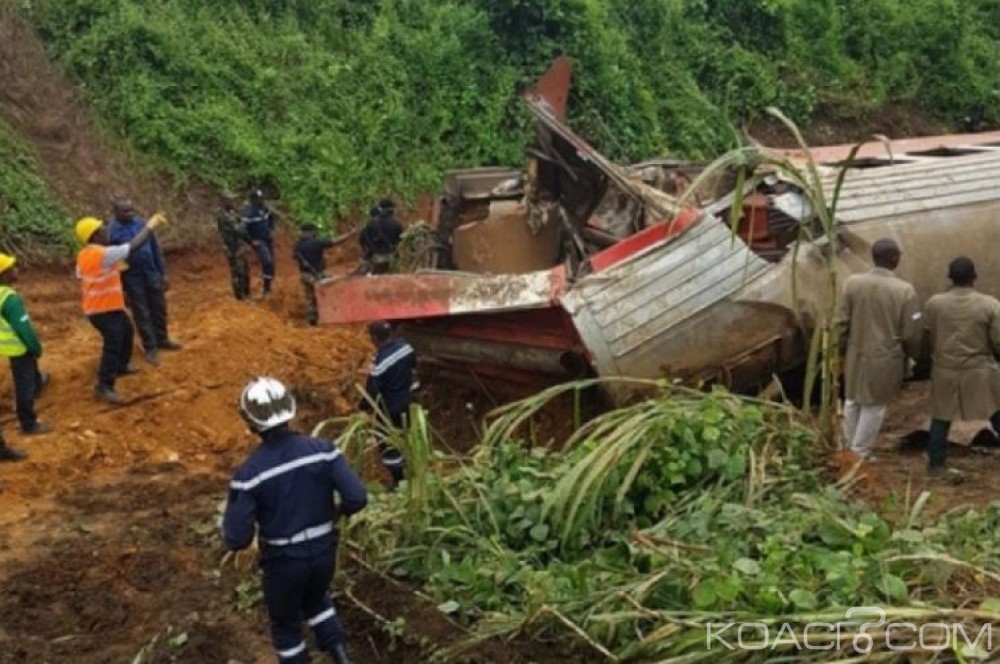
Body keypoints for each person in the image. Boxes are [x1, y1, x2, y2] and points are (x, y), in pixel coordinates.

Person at [222, 376, 366, 664]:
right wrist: (333, 515)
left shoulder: (249, 475)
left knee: (286, 626)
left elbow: (236, 539)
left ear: (250, 423)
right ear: (291, 410)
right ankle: (342, 657)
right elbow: (356, 497)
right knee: (316, 600)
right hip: (325, 552)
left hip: (284, 561)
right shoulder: (324, 451)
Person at [836, 238, 922, 460]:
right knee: (875, 405)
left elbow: (842, 322)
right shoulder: (904, 290)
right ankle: (859, 453)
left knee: (852, 400)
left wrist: (839, 349)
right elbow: (911, 332)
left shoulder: (852, 283)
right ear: (894, 258)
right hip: (886, 356)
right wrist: (913, 355)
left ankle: (847, 448)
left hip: (856, 353)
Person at [75, 214, 166, 404]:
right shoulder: (102, 253)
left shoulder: (85, 254)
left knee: (127, 331)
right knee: (113, 343)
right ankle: (104, 385)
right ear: (94, 236)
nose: (106, 232)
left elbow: (84, 273)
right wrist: (149, 227)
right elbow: (132, 246)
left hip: (105, 307)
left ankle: (121, 366)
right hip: (103, 310)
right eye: (101, 230)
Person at [922, 256, 1000, 475]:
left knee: (941, 417)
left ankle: (936, 463)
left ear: (950, 278)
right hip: (980, 370)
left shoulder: (934, 303)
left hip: (945, 369)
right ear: (975, 277)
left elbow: (926, 333)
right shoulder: (989, 304)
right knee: (995, 410)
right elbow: (998, 340)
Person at [107, 197, 182, 366]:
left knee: (159, 308)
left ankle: (162, 339)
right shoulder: (112, 232)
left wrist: (163, 273)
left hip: (151, 272)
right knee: (142, 313)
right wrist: (121, 287)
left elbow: (155, 249)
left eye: (131, 209)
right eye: (126, 211)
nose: (130, 213)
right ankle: (150, 347)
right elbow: (115, 261)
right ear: (116, 212)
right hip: (132, 277)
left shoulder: (141, 223)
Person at [0, 253, 52, 435]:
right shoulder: (10, 299)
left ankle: (38, 382)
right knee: (24, 384)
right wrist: (35, 347)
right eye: (10, 269)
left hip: (7, 346)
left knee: (28, 374)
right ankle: (28, 423)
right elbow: (23, 328)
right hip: (19, 346)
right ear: (3, 275)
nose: (16, 270)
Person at [359, 320, 414, 489]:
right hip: (407, 404)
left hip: (389, 410)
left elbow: (372, 390)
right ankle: (411, 471)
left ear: (374, 338)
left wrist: (363, 406)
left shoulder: (380, 362)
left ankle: (399, 482)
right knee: (404, 437)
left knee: (388, 445)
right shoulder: (407, 349)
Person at [293, 222, 352, 326]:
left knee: (310, 297)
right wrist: (350, 234)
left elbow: (295, 258)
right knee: (329, 290)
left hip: (305, 275)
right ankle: (331, 314)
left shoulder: (298, 245)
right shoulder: (317, 242)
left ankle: (312, 320)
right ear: (311, 232)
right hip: (319, 274)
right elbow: (336, 241)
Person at [242, 189, 278, 298]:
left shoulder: (265, 210)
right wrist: (251, 241)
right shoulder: (248, 214)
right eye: (258, 199)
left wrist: (271, 230)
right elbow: (243, 230)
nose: (261, 200)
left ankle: (269, 285)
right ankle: (266, 290)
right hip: (259, 241)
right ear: (253, 200)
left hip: (267, 239)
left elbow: (272, 218)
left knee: (271, 265)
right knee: (267, 261)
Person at [217, 193, 251, 300]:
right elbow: (238, 229)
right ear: (224, 202)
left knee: (244, 269)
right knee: (238, 271)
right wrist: (244, 222)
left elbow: (238, 219)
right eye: (231, 200)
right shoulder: (224, 216)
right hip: (233, 247)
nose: (233, 202)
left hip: (237, 246)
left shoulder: (230, 213)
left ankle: (246, 293)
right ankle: (240, 296)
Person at [358, 199, 403, 275]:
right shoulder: (397, 223)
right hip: (391, 257)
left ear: (380, 209)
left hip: (375, 257)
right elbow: (400, 241)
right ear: (392, 210)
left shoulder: (371, 223)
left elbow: (362, 240)